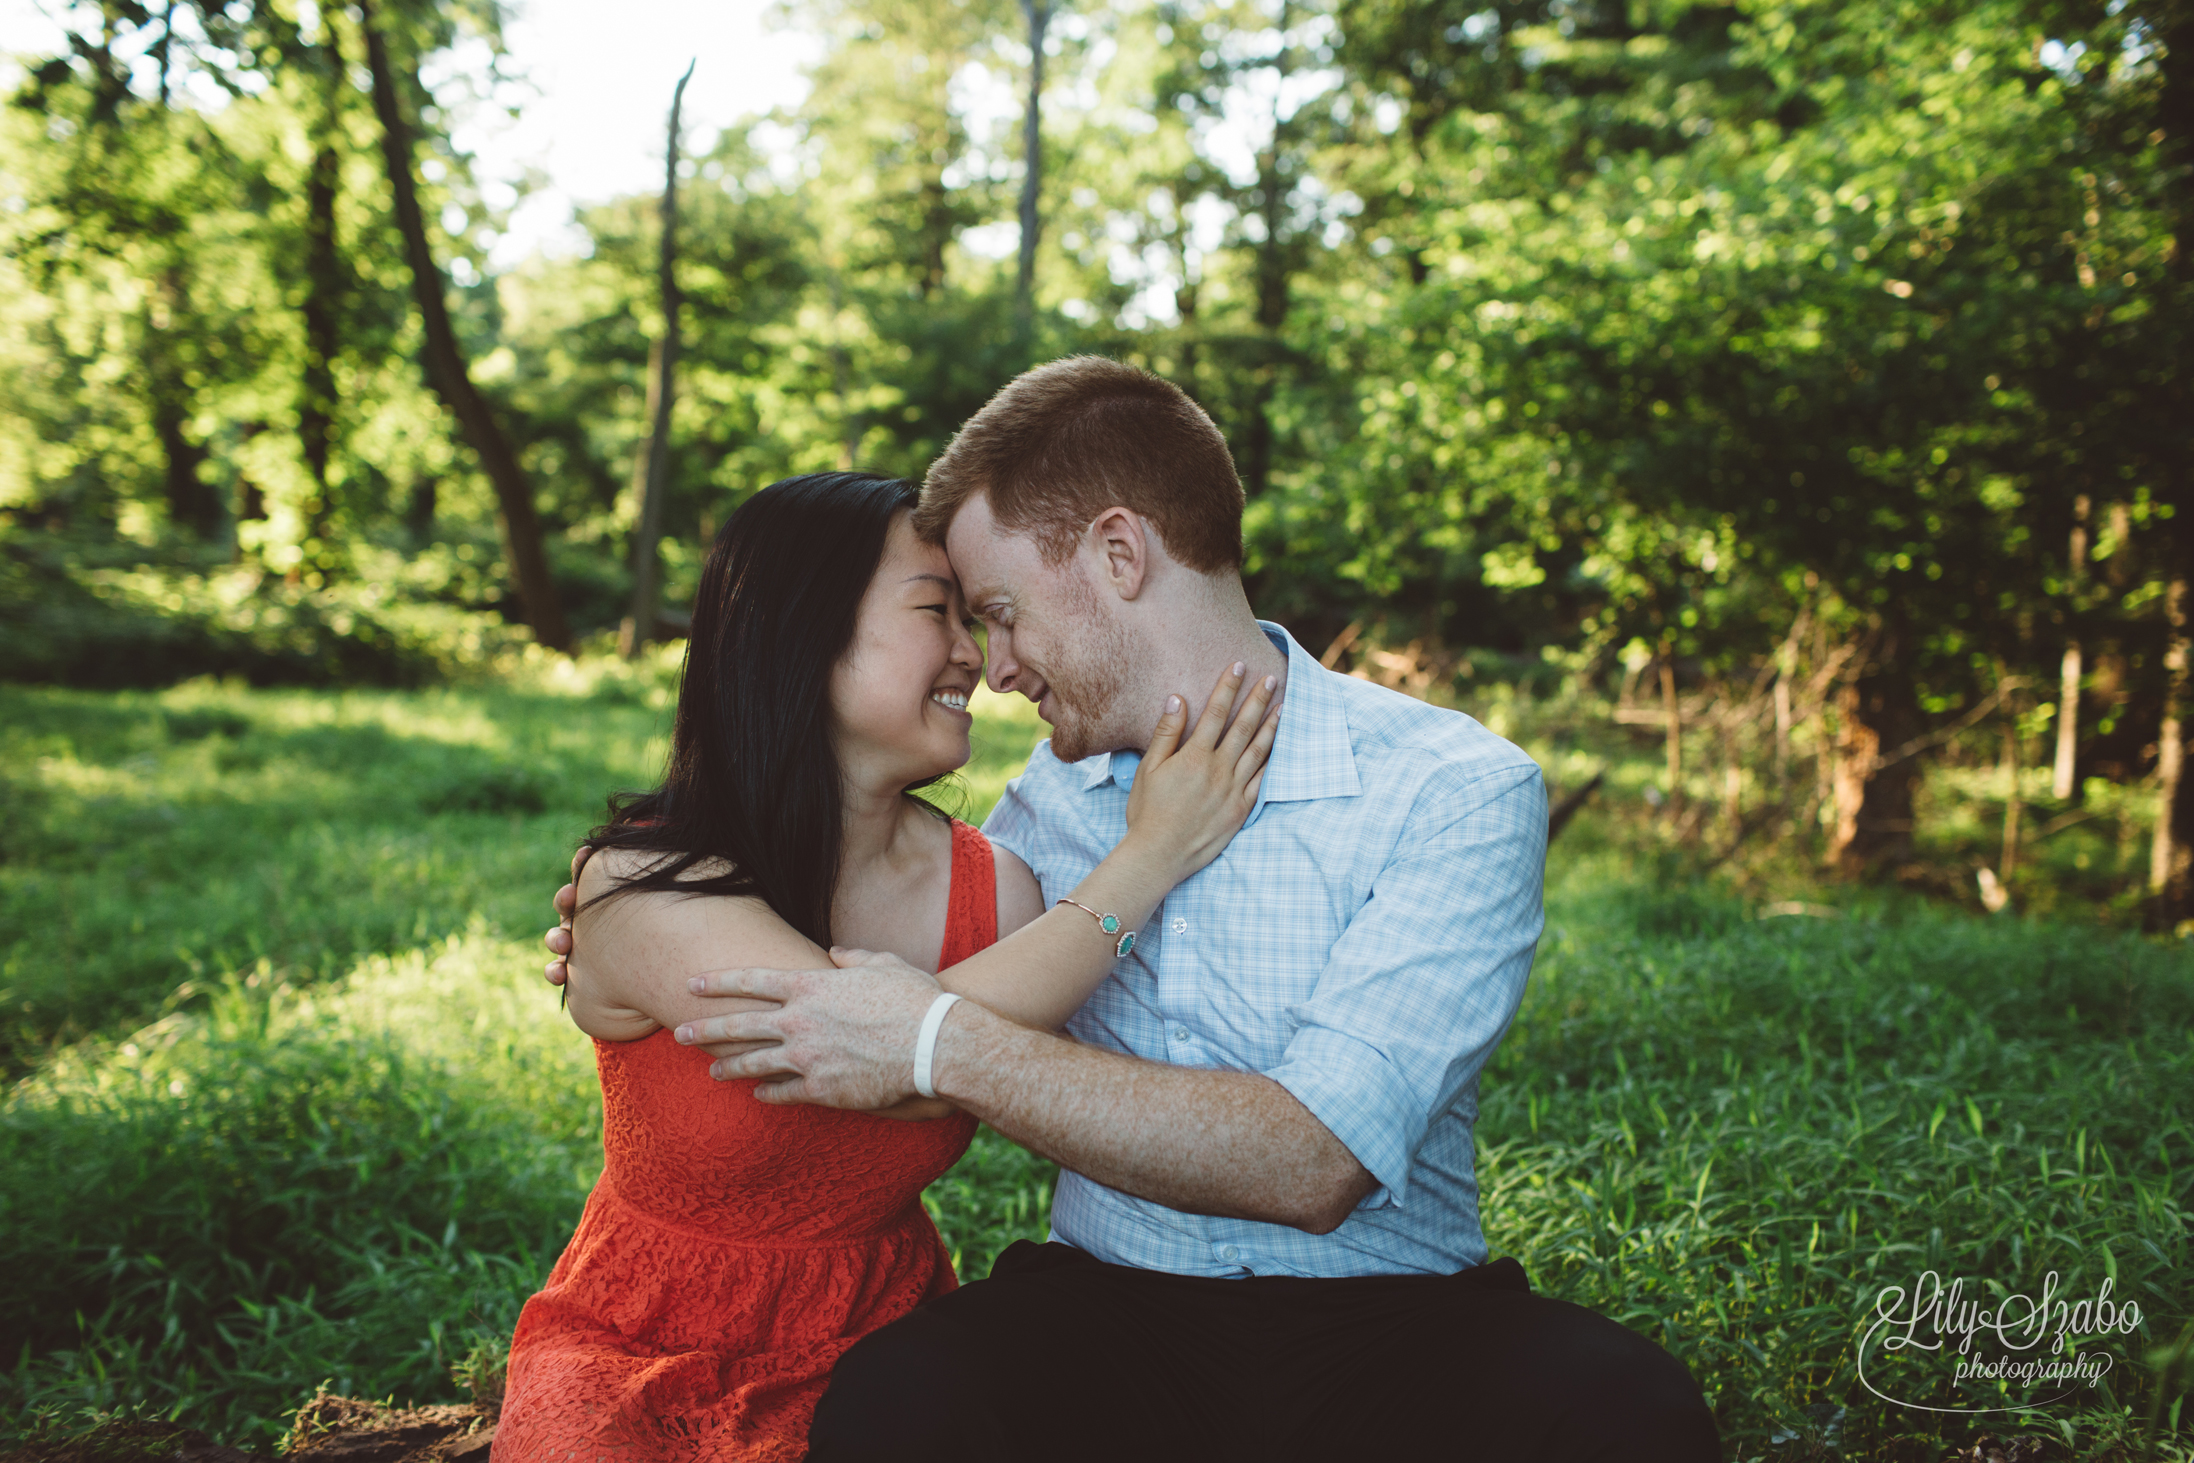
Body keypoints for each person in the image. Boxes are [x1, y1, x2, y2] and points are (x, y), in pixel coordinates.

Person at [558, 359, 1723, 1462]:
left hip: (1398, 1312)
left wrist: (929, 1036)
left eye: (1002, 609)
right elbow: (847, 951)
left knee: (1628, 1409)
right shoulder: (1035, 818)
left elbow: (1316, 1160)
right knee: (904, 1399)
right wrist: (628, 922)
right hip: (1107, 1307)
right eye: (964, 616)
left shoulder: (1451, 786)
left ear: (1118, 553)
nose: (995, 664)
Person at [497, 470, 1278, 1463]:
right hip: (642, 1346)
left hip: (887, 1342)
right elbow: (869, 1049)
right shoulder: (649, 882)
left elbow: (954, 1052)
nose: (977, 656)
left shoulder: (994, 888)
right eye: (933, 611)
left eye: (977, 616)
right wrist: (1153, 853)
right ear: (798, 630)